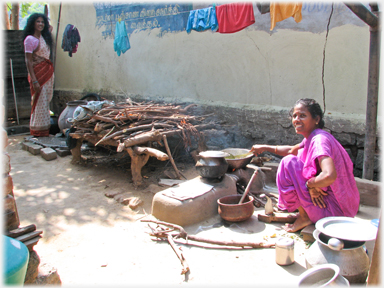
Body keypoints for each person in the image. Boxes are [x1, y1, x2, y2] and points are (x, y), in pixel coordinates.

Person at [250, 98, 360, 232]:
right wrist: (264, 147)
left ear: (316, 119)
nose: (296, 119)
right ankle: (309, 211)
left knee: (288, 163)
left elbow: (329, 175)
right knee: (292, 158)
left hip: (335, 212)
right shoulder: (313, 137)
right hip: (344, 208)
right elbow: (291, 150)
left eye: (302, 115)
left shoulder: (319, 140)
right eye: (295, 116)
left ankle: (305, 216)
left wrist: (311, 184)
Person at [23, 13, 54, 137]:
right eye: (38, 21)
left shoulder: (44, 38)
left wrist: (47, 24)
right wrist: (35, 80)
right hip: (38, 74)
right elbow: (28, 61)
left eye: (42, 22)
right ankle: (37, 131)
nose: (40, 24)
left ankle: (45, 131)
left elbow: (50, 27)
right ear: (32, 23)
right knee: (38, 101)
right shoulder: (30, 40)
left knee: (45, 102)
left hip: (47, 72)